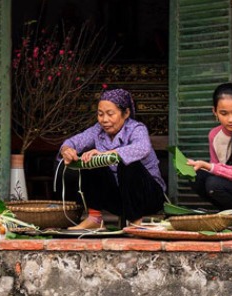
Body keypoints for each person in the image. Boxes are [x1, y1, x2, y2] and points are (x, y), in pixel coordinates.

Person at [59, 88, 166, 229]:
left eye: (110, 114)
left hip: (148, 197)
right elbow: (72, 142)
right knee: (88, 160)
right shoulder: (98, 130)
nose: (104, 120)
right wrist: (67, 151)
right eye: (100, 114)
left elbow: (142, 147)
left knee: (127, 164)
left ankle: (136, 221)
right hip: (118, 199)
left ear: (126, 113)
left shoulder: (136, 129)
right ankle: (94, 219)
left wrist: (106, 154)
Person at [186, 83, 232, 211]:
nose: (231, 119)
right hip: (228, 186)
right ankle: (227, 211)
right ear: (214, 112)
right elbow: (215, 172)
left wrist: (207, 166)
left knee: (214, 184)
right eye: (224, 113)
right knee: (196, 177)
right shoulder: (214, 135)